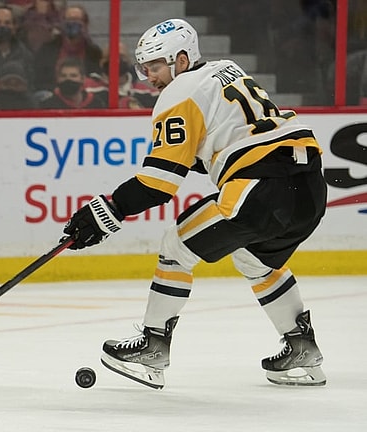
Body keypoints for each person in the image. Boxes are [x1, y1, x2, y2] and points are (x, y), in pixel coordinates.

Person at [61, 19, 327, 389]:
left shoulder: (180, 92)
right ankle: (302, 348)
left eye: (154, 66)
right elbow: (217, 146)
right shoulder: (227, 71)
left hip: (261, 186)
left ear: (181, 60)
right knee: (254, 258)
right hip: (310, 185)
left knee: (177, 245)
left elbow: (158, 184)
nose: (148, 77)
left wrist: (106, 210)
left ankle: (153, 346)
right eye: (144, 68)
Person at [33, 4, 102, 94]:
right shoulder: (47, 49)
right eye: (68, 19)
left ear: (85, 24)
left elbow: (97, 80)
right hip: (53, 96)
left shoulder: (94, 52)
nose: (72, 23)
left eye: (77, 20)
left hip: (83, 97)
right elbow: (39, 80)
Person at [39, 57, 105, 109]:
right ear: (57, 79)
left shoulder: (96, 103)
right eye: (63, 76)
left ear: (82, 79)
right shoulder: (47, 106)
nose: (68, 79)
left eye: (73, 76)